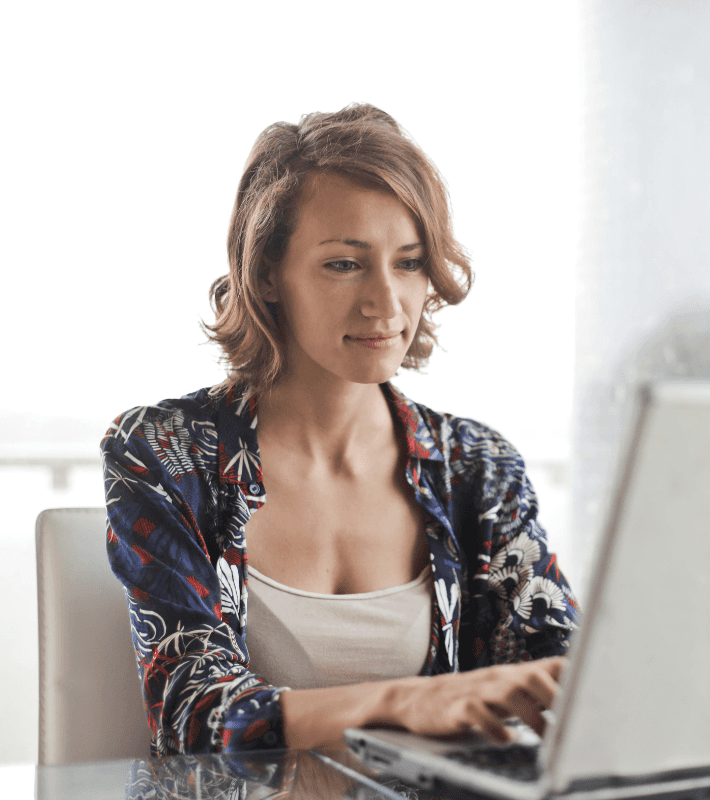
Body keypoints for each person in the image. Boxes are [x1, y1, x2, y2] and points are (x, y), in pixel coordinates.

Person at [102, 103, 579, 756]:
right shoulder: (164, 452)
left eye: (409, 263)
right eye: (344, 264)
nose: (387, 302)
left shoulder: (475, 466)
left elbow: (564, 678)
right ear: (268, 273)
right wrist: (406, 702)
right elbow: (191, 713)